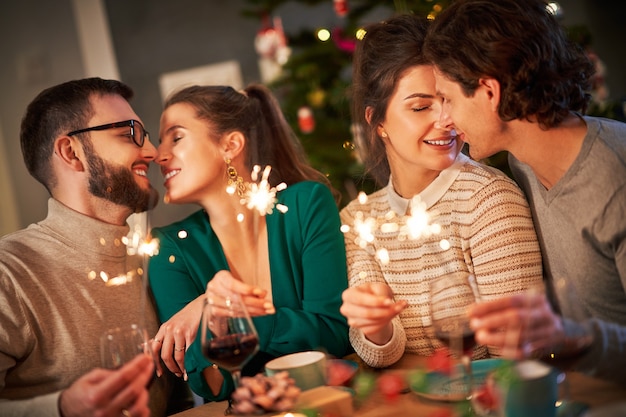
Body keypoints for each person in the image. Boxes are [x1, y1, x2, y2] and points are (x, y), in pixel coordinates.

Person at [423, 0, 626, 385]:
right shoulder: (524, 164)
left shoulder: (616, 180)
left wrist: (573, 339)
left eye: (447, 99)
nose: (444, 120)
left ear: (488, 92)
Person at [339, 13, 544, 368]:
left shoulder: (489, 200)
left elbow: (519, 357)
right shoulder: (359, 221)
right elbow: (380, 354)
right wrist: (376, 327)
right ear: (378, 122)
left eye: (448, 99)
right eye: (420, 107)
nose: (445, 120)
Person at [148, 84, 351, 401]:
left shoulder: (306, 204)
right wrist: (212, 312)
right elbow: (214, 385)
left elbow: (335, 335)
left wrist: (223, 311)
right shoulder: (169, 249)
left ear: (230, 145)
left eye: (176, 138)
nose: (159, 155)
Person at [0, 77, 190, 416]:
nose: (151, 151)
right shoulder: (10, 272)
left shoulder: (154, 261)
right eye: (129, 132)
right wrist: (62, 409)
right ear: (71, 153)